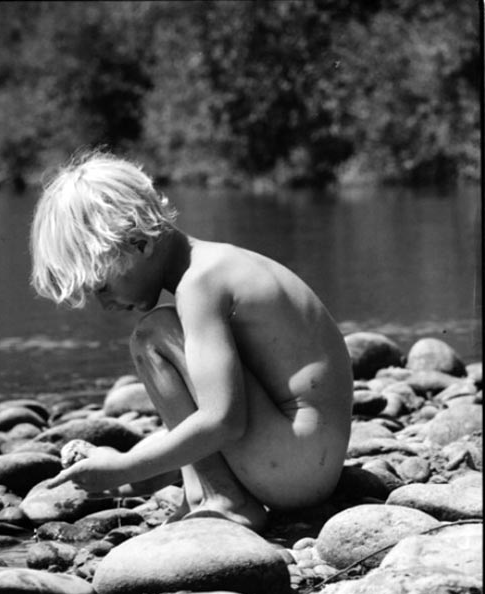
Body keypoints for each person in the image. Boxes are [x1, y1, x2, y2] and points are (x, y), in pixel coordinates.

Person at [29, 148, 353, 531]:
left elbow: (222, 421)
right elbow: (217, 407)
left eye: (102, 286)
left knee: (152, 335)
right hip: (309, 461)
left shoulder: (200, 286)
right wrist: (130, 461)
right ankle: (198, 487)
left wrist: (122, 468)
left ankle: (220, 497)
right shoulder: (218, 263)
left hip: (293, 469)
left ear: (138, 243)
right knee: (155, 442)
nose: (105, 304)